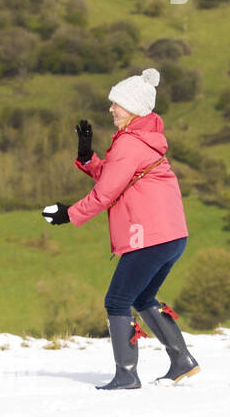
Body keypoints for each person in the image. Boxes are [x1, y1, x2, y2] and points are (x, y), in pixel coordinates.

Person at [40, 68, 199, 390]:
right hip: (171, 236)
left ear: (135, 108)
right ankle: (182, 360)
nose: (111, 109)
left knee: (117, 301)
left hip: (148, 236)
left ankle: (127, 374)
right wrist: (87, 158)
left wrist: (69, 214)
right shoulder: (143, 140)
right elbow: (116, 176)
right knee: (144, 297)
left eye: (117, 104)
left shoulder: (130, 143)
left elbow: (106, 193)